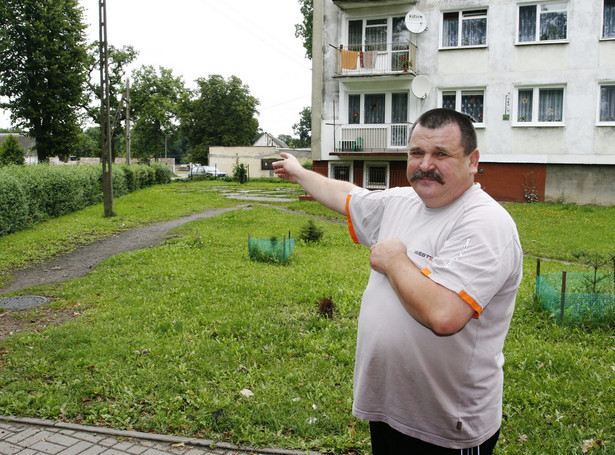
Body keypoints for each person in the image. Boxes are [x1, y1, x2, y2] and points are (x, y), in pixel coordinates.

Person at [273, 108, 523, 454]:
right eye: (417, 153)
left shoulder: (485, 223)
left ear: (472, 161)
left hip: (445, 426)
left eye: (441, 154)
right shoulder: (402, 201)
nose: (425, 164)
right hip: (391, 410)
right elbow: (347, 196)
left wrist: (393, 260)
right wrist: (300, 173)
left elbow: (444, 315)